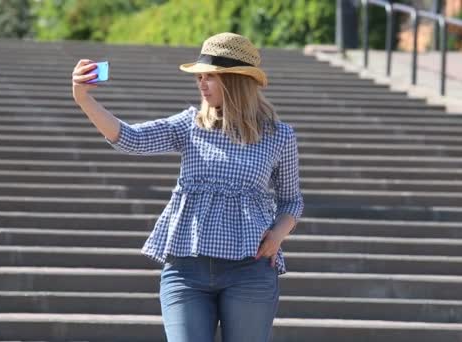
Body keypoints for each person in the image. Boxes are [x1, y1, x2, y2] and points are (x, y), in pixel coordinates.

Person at [71, 32, 304, 342]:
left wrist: (277, 235)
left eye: (210, 76)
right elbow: (131, 138)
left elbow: (291, 201)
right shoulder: (189, 124)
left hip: (250, 270)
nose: (201, 83)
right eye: (200, 76)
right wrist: (84, 98)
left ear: (235, 81)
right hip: (186, 270)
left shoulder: (279, 136)